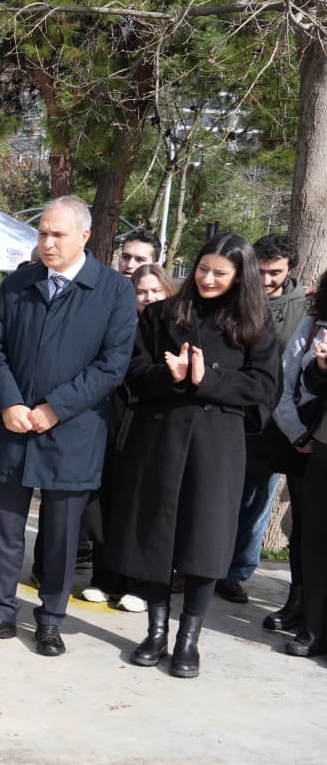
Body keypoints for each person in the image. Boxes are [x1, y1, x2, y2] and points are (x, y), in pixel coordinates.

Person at [0, 195, 137, 656]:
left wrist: (56, 408)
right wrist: (9, 402)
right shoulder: (19, 284)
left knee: (61, 534)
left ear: (85, 236)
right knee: (4, 528)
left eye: (58, 234)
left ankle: (50, 620)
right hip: (15, 426)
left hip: (73, 432)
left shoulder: (113, 291)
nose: (47, 242)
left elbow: (112, 363)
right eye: (42, 232)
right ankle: (1, 611)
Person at [105, 233, 280, 677]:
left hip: (217, 444)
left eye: (220, 273)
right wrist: (172, 375)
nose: (208, 279)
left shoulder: (254, 322)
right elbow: (133, 372)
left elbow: (264, 387)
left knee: (206, 539)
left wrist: (207, 378)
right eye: (203, 268)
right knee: (156, 535)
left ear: (240, 276)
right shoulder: (163, 313)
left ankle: (188, 639)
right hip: (160, 437)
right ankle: (156, 631)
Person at [77, 264, 178, 613]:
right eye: (141, 291)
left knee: (143, 507)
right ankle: (105, 579)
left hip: (152, 426)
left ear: (168, 292)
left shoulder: (176, 328)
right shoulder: (118, 322)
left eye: (155, 291)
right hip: (114, 423)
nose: (148, 297)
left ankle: (140, 584)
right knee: (105, 504)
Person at [217, 234, 307, 603]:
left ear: (290, 271)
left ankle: (236, 572)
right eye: (261, 271)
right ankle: (196, 566)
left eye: (275, 273)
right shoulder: (232, 298)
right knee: (215, 496)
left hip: (272, 426)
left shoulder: (305, 311)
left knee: (256, 503)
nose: (266, 279)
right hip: (228, 414)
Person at [279, 283, 327, 656]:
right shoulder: (317, 326)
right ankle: (312, 629)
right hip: (322, 444)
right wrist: (322, 366)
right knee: (315, 538)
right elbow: (304, 384)